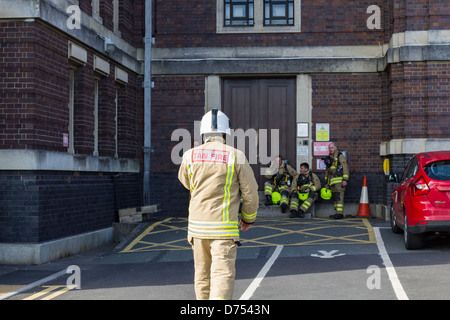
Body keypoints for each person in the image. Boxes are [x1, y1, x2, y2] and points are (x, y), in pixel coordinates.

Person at [178, 108, 259, 300]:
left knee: (202, 275)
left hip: (197, 229)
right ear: (225, 133)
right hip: (223, 229)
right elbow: (251, 192)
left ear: (204, 132)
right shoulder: (235, 155)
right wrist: (248, 218)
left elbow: (186, 182)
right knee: (222, 275)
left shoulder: (190, 155)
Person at [324, 142, 349, 219]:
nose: (330, 149)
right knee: (335, 198)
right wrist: (326, 182)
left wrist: (345, 179)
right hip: (332, 182)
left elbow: (345, 167)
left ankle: (340, 213)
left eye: (332, 148)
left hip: (339, 181)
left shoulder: (340, 156)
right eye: (329, 148)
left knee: (339, 197)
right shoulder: (329, 158)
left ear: (335, 148)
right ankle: (337, 213)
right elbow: (327, 171)